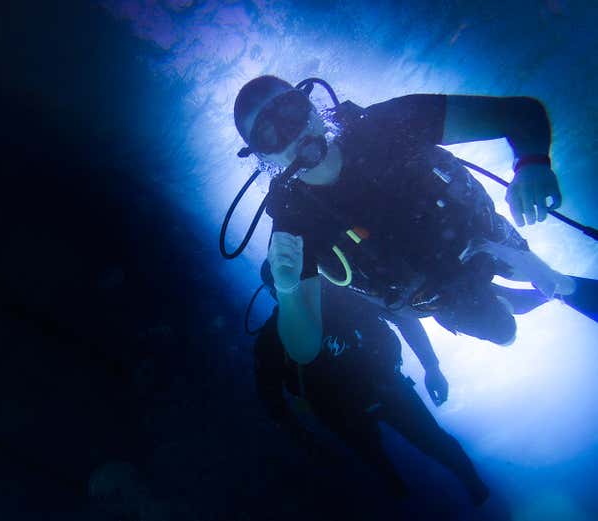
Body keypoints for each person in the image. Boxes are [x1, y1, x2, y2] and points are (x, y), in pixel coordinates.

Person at [233, 75, 578, 363]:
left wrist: (532, 164)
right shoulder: (295, 221)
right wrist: (289, 288)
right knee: (504, 333)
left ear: (312, 105)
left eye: (292, 111)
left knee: (553, 281)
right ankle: (513, 299)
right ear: (262, 157)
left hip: (483, 236)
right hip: (432, 295)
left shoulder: (388, 124)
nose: (292, 134)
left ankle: (555, 286)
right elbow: (304, 349)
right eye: (268, 134)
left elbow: (520, 113)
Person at [253, 261, 489, 505]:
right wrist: (306, 440)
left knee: (433, 442)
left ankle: (474, 489)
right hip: (342, 410)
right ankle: (399, 493)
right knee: (383, 462)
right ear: (274, 293)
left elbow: (404, 316)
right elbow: (271, 399)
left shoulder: (345, 294)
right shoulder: (274, 338)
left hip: (383, 385)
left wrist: (432, 366)